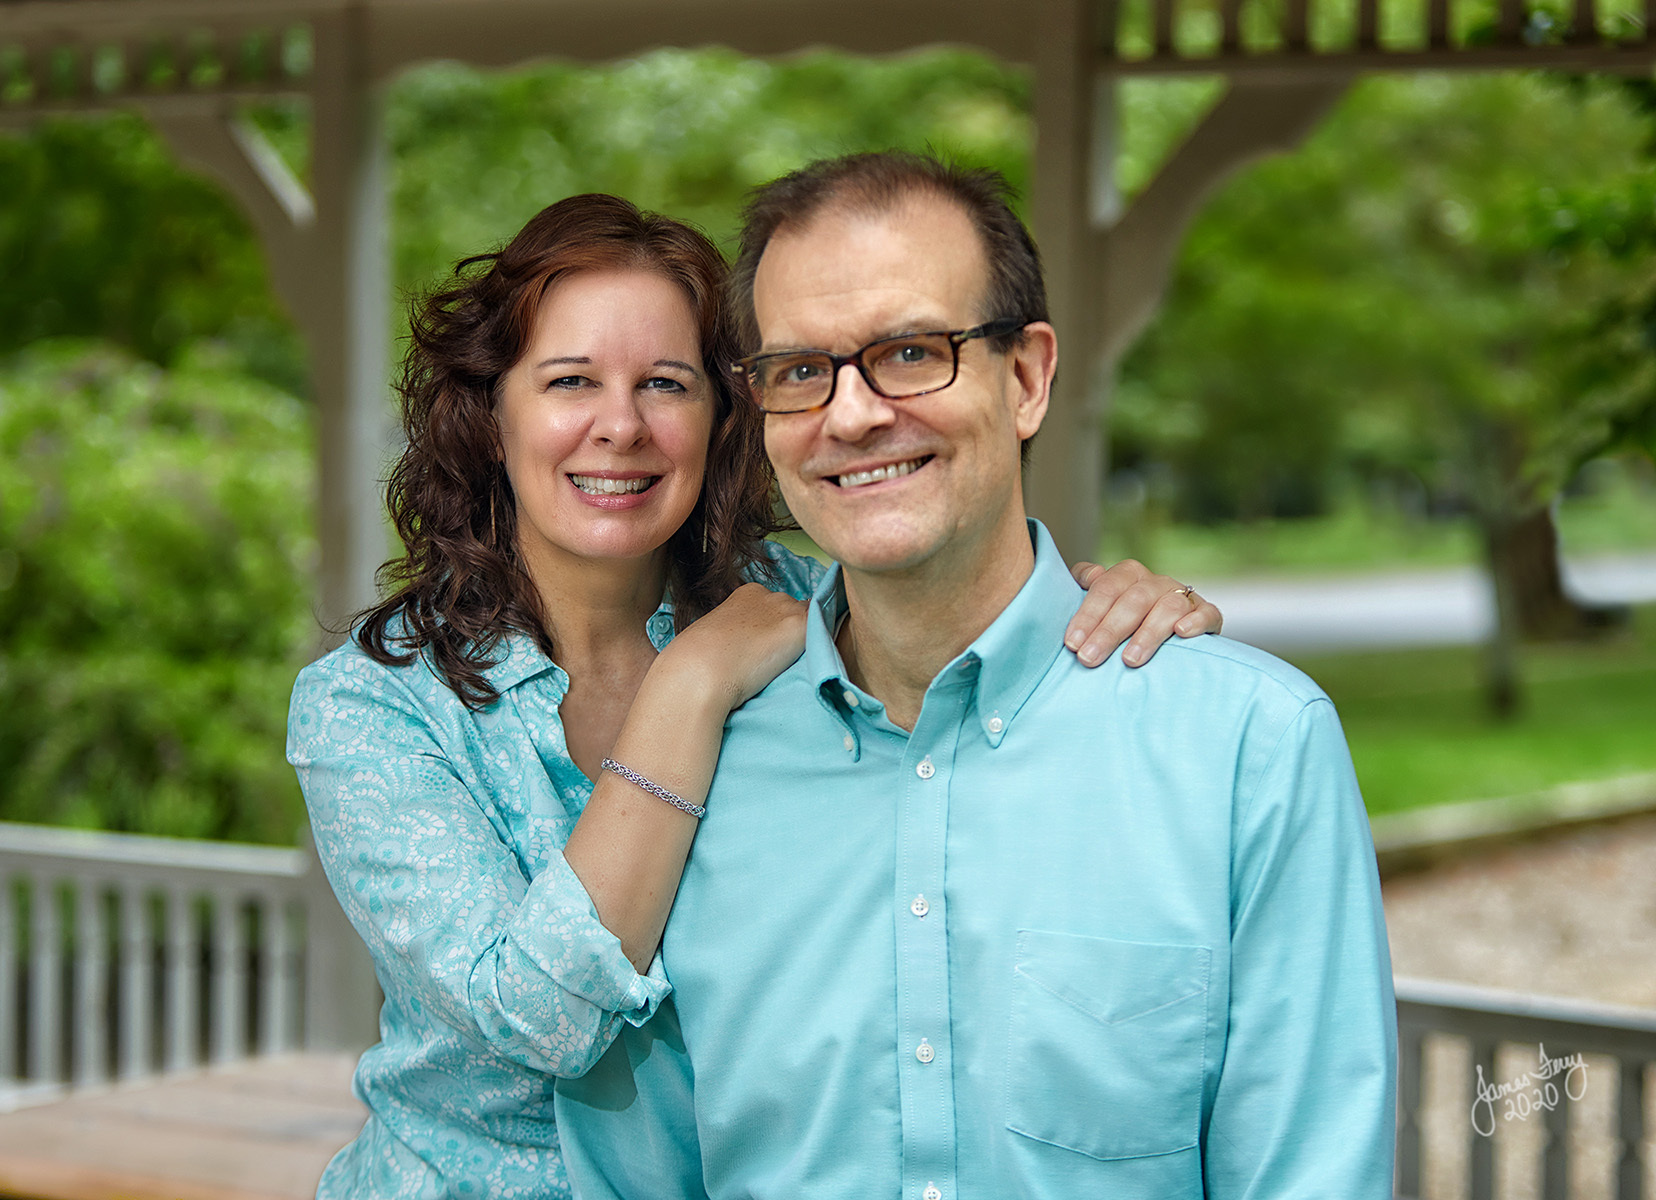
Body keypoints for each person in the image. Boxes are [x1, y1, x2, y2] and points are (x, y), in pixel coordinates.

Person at [286, 192, 1222, 1200]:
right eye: (569, 381)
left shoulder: (793, 610)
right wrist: (686, 688)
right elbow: (535, 1023)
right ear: (491, 412)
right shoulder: (373, 707)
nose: (621, 426)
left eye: (666, 384)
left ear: (726, 416)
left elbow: (958, 641)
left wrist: (1105, 599)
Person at [554, 154, 1397, 1199]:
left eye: (912, 352)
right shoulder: (689, 771)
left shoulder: (1248, 749)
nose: (852, 415)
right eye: (802, 370)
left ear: (1029, 377)